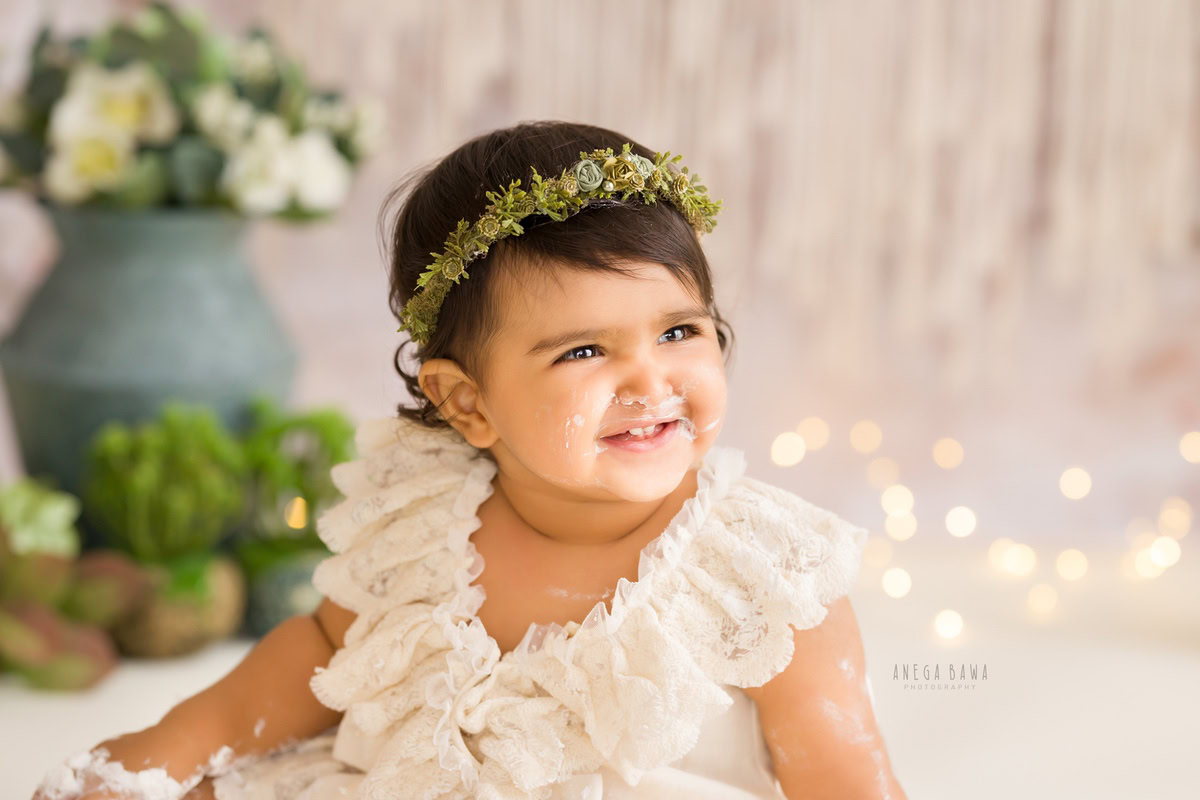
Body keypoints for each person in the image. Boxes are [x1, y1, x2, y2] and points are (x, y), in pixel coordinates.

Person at [33, 121, 906, 800]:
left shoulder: (759, 575)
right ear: (467, 403)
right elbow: (312, 659)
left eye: (678, 331)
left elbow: (844, 772)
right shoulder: (431, 521)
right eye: (583, 353)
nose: (651, 380)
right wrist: (159, 755)